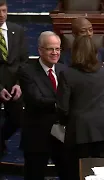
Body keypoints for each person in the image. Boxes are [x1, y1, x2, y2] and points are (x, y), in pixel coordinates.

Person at [56, 35, 104, 180]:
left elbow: (63, 107)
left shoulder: (67, 74)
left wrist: (64, 122)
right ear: (95, 51)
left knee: (77, 173)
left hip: (78, 132)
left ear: (75, 52)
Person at [18, 31, 67, 180]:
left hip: (63, 136)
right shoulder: (27, 71)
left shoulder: (64, 70)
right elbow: (36, 100)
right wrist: (64, 103)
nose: (55, 53)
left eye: (57, 49)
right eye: (50, 49)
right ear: (40, 50)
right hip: (37, 136)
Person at [0, 0, 28, 154]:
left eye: (4, 11)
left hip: (14, 83)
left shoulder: (17, 31)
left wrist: (19, 84)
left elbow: (24, 60)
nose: (1, 15)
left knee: (17, 119)